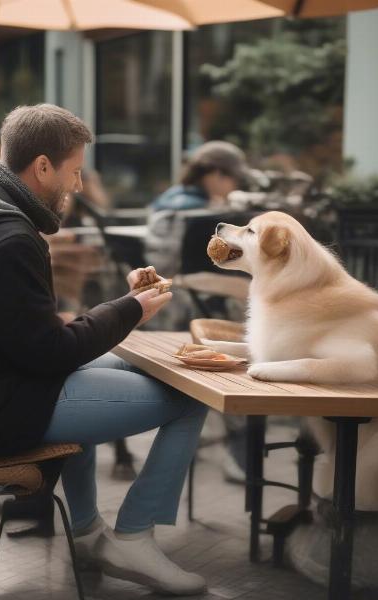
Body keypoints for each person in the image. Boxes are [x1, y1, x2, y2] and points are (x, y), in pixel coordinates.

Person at [0, 104, 208, 596]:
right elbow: (51, 354)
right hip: (6, 410)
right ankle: (135, 535)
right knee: (191, 397)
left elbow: (34, 337)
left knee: (139, 368)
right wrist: (130, 311)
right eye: (74, 171)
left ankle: (86, 531)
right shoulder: (8, 239)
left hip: (1, 390)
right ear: (41, 166)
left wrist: (123, 306)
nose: (77, 185)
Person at [146, 141, 251, 483]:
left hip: (161, 304)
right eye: (232, 179)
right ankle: (241, 447)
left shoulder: (169, 198)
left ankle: (208, 431)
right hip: (189, 303)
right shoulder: (202, 213)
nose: (234, 187)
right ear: (216, 175)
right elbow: (210, 265)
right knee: (245, 328)